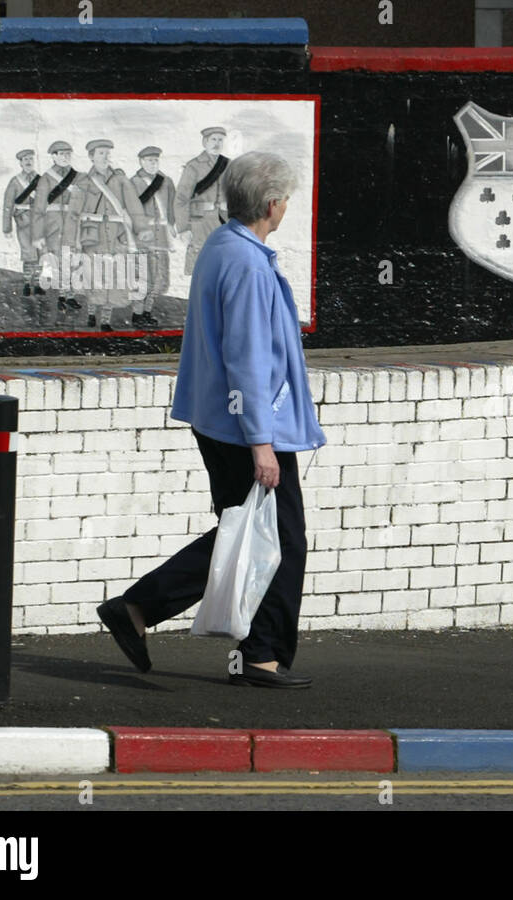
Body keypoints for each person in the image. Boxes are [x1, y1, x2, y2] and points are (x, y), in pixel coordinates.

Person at [97, 150, 325, 689]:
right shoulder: (246, 262)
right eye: (286, 199)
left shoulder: (222, 246)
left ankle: (148, 614)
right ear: (273, 205)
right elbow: (247, 357)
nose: (287, 206)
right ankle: (255, 655)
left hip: (219, 419)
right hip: (244, 426)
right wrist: (262, 443)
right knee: (280, 539)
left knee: (246, 530)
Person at [76, 139, 148, 332]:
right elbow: (74, 213)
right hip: (93, 236)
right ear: (91, 156)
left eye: (108, 153)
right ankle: (91, 313)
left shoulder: (120, 179)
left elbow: (133, 205)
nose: (105, 156)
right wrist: (71, 239)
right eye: (101, 153)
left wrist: (142, 228)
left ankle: (106, 320)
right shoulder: (83, 181)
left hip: (116, 235)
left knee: (113, 280)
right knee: (93, 277)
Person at [31, 140, 84, 317]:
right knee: (56, 262)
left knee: (71, 262)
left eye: (68, 153)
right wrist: (37, 234)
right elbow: (38, 208)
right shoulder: (46, 178)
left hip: (72, 225)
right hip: (52, 226)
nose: (65, 157)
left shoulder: (78, 177)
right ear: (53, 156)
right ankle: (62, 296)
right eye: (61, 154)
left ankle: (68, 296)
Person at [130, 146, 177, 329]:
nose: (153, 163)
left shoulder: (166, 181)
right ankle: (137, 313)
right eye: (149, 160)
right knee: (142, 277)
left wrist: (173, 226)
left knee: (159, 279)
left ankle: (147, 312)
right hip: (143, 237)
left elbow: (172, 206)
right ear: (141, 161)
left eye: (155, 160)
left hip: (162, 237)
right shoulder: (133, 182)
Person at [174, 126, 231, 275]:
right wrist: (183, 228)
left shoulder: (229, 165)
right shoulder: (193, 166)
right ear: (205, 142)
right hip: (200, 223)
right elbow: (181, 198)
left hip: (223, 221)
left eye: (220, 140)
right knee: (199, 266)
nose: (217, 143)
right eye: (213, 139)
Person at [1, 149, 42, 301]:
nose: (28, 161)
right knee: (28, 254)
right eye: (25, 159)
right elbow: (7, 205)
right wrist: (7, 228)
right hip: (23, 222)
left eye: (31, 158)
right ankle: (26, 284)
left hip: (40, 222)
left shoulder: (42, 180)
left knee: (40, 254)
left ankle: (37, 284)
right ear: (20, 163)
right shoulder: (15, 181)